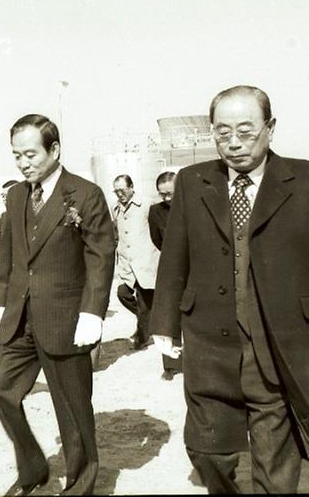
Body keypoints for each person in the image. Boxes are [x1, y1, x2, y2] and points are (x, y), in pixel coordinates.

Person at [151, 85, 309, 493]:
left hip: (278, 341)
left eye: (245, 131)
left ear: (270, 128)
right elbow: (174, 258)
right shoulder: (192, 181)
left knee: (275, 461)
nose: (234, 143)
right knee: (208, 453)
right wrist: (164, 323)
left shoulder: (304, 180)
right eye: (223, 133)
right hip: (209, 340)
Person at [0, 114, 115, 496]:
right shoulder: (15, 195)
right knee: (0, 390)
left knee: (72, 410)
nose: (23, 163)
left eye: (30, 154)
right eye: (16, 156)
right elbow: (9, 253)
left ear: (55, 149)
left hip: (66, 319)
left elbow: (101, 256)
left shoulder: (85, 194)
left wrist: (92, 313)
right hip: (19, 319)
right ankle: (33, 468)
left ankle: (79, 486)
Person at [112, 174, 159, 350]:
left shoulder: (146, 204)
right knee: (122, 293)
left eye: (122, 190)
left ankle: (142, 337)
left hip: (145, 260)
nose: (119, 194)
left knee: (144, 301)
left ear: (131, 187)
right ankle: (148, 323)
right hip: (126, 263)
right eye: (116, 191)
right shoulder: (115, 208)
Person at [147, 171, 182, 380]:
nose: (167, 199)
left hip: (195, 267)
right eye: (163, 195)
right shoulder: (155, 212)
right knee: (169, 316)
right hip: (170, 268)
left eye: (170, 194)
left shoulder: (192, 207)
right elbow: (157, 239)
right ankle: (171, 366)